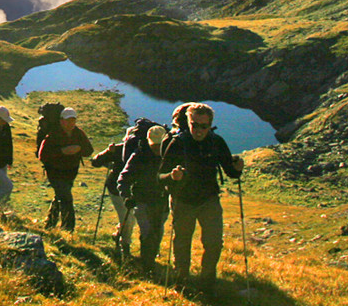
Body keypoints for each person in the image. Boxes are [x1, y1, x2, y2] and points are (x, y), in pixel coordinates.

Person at [158, 102, 244, 297]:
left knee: (213, 243)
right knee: (182, 243)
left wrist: (238, 168)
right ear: (188, 122)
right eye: (193, 124)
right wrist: (172, 176)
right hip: (183, 200)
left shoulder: (217, 142)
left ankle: (207, 282)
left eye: (203, 126)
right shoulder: (178, 143)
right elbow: (159, 176)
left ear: (210, 125)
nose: (197, 130)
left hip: (209, 200)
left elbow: (230, 172)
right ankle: (181, 282)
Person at [117, 125, 169, 276]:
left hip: (162, 202)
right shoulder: (139, 155)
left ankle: (149, 262)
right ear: (148, 141)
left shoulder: (170, 155)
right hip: (142, 201)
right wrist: (126, 196)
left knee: (157, 232)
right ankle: (147, 267)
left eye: (160, 144)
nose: (157, 148)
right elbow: (123, 179)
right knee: (147, 233)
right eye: (155, 144)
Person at [38, 107, 93, 232]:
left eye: (73, 120)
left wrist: (79, 149)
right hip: (55, 173)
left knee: (60, 196)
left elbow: (89, 150)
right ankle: (68, 229)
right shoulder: (53, 134)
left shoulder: (78, 133)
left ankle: (50, 224)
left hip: (70, 173)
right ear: (61, 120)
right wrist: (62, 152)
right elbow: (43, 155)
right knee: (67, 198)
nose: (71, 123)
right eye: (68, 120)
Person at [91, 129, 136, 258]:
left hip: (128, 190)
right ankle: (124, 246)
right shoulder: (118, 150)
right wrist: (107, 153)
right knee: (127, 218)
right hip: (116, 189)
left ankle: (119, 236)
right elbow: (96, 162)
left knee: (130, 218)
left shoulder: (127, 149)